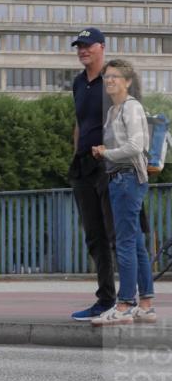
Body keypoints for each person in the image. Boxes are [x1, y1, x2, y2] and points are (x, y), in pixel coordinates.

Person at [89, 60, 157, 326]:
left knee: (126, 243)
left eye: (115, 77)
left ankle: (125, 305)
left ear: (128, 82)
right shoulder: (114, 111)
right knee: (137, 243)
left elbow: (136, 145)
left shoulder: (131, 107)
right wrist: (104, 153)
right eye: (107, 77)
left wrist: (106, 153)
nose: (109, 81)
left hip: (128, 178)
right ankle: (147, 304)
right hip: (119, 178)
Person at [69, 27, 118, 321]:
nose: (82, 50)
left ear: (102, 46)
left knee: (118, 235)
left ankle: (131, 300)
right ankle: (105, 299)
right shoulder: (77, 83)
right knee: (94, 236)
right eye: (79, 46)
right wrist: (76, 154)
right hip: (84, 165)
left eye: (87, 45)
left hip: (109, 165)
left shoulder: (113, 79)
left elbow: (129, 117)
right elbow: (79, 122)